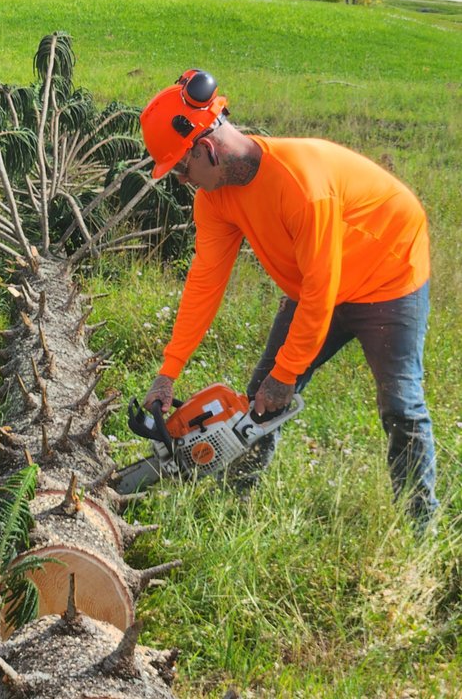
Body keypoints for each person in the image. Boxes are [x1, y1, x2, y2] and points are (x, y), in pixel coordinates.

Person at [140, 68, 438, 530]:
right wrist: (168, 370)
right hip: (317, 283)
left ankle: (421, 528)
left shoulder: (301, 185)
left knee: (401, 406)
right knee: (258, 401)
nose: (181, 180)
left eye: (180, 168)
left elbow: (322, 292)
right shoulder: (214, 199)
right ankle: (234, 505)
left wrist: (287, 373)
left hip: (389, 271)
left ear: (205, 148)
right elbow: (205, 281)